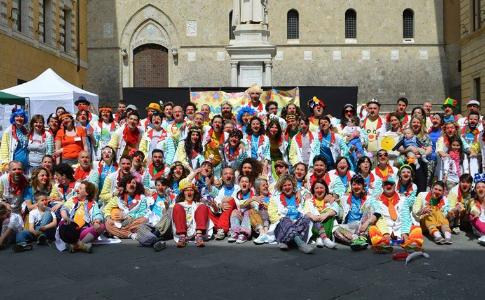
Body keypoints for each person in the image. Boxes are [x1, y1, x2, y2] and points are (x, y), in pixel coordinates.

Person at [369, 177, 424, 253]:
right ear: (382, 186)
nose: (388, 186)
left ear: (395, 186)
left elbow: (406, 216)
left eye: (391, 184)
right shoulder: (377, 201)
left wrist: (405, 232)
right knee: (372, 228)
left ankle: (412, 245)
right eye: (386, 184)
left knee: (416, 228)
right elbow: (379, 218)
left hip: (400, 229)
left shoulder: (403, 199)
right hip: (385, 229)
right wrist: (385, 233)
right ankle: (382, 245)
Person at [268, 174, 314, 253]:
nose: (287, 187)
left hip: (297, 224)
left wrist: (299, 191)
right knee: (285, 220)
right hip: (282, 227)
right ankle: (300, 244)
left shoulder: (299, 197)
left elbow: (306, 207)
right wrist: (287, 221)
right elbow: (272, 215)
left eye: (289, 185)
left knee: (306, 218)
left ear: (293, 186)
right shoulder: (275, 199)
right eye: (284, 185)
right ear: (281, 187)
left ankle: (287, 241)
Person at [58, 181, 105, 253]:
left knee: (101, 226)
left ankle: (76, 245)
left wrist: (97, 221)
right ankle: (80, 245)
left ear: (87, 193)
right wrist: (65, 217)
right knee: (62, 223)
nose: (77, 190)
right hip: (70, 227)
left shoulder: (92, 203)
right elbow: (64, 209)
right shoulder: (73, 199)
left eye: (80, 188)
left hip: (83, 230)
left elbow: (97, 214)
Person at [333, 175, 376, 251]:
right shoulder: (344, 198)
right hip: (349, 227)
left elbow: (375, 213)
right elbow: (337, 209)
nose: (356, 187)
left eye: (359, 184)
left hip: (362, 227)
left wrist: (366, 223)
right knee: (335, 229)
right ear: (351, 186)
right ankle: (356, 240)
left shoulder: (369, 199)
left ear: (363, 186)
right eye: (354, 184)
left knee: (370, 210)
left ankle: (360, 239)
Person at [103, 175, 149, 239]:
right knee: (108, 223)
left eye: (134, 183)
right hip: (120, 223)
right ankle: (130, 234)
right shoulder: (119, 197)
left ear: (137, 186)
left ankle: (119, 233)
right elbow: (106, 209)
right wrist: (108, 217)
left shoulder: (142, 198)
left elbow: (143, 212)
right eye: (129, 183)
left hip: (133, 223)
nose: (131, 185)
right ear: (125, 185)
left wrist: (130, 216)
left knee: (144, 220)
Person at [171, 178, 212, 248]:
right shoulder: (178, 204)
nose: (189, 193)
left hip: (198, 229)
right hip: (183, 230)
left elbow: (213, 210)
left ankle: (199, 236)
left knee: (203, 207)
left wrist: (210, 204)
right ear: (183, 193)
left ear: (194, 192)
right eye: (186, 190)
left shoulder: (198, 203)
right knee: (177, 207)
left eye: (191, 190)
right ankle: (182, 237)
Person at [303, 179, 339, 249]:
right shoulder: (309, 200)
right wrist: (313, 216)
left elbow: (336, 209)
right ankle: (323, 239)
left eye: (321, 188)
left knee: (329, 212)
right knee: (312, 217)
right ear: (313, 190)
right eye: (316, 188)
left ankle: (321, 238)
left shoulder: (329, 199)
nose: (319, 190)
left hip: (328, 226)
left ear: (325, 189)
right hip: (314, 227)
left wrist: (325, 215)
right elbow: (306, 212)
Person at [211, 167, 238, 240]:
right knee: (205, 208)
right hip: (222, 217)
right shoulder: (219, 190)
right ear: (222, 177)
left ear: (234, 177)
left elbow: (241, 203)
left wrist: (230, 200)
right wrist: (220, 205)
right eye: (225, 174)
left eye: (230, 174)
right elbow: (216, 202)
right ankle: (225, 228)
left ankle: (222, 229)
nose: (228, 176)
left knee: (230, 200)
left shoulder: (239, 188)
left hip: (234, 215)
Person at [468, 177, 485, 245]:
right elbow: (473, 209)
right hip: (479, 227)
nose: (481, 189)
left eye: (483, 187)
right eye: (478, 187)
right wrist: (475, 213)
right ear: (475, 190)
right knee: (471, 216)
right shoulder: (472, 201)